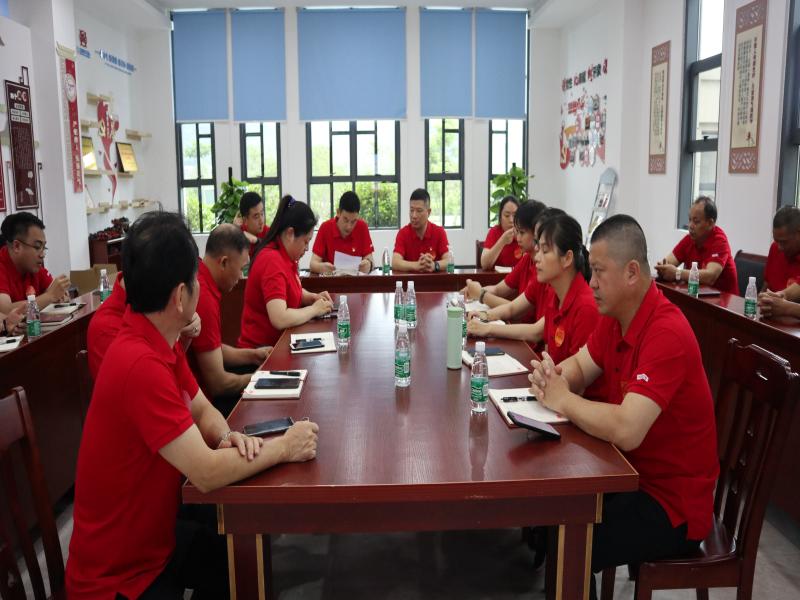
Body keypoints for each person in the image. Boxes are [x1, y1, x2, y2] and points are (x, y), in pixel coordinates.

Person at [67, 212, 319, 599]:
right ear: (180, 296)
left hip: (155, 540)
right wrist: (286, 446)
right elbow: (204, 472)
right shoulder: (138, 362)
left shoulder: (157, 338)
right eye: (195, 280)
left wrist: (227, 436)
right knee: (236, 566)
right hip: (120, 577)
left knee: (239, 563)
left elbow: (201, 408)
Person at [529, 215, 718, 599]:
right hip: (628, 473)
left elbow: (628, 430)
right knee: (554, 519)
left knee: (573, 541)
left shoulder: (666, 332)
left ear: (632, 272)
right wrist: (555, 376)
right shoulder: (616, 318)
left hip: (671, 503)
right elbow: (581, 365)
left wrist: (564, 399)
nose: (591, 282)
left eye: (599, 271)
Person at [468, 214, 604, 398]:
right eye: (538, 248)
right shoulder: (556, 297)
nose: (537, 257)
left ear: (567, 258)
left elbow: (578, 385)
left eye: (545, 251)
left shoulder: (586, 307)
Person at [191, 224, 272, 413]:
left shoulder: (203, 276)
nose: (241, 276)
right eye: (242, 269)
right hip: (206, 406)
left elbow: (212, 348)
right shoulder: (202, 296)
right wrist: (260, 379)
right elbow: (218, 384)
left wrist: (253, 355)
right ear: (224, 263)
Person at [238, 195, 333, 349]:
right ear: (290, 234)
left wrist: (311, 297)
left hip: (280, 345)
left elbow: (288, 290)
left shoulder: (285, 256)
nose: (307, 248)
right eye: (306, 241)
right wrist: (314, 310)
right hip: (261, 353)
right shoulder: (272, 260)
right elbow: (279, 318)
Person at [466, 206, 563, 326]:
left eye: (522, 232)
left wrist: (481, 294)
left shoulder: (545, 275)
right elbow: (502, 295)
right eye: (517, 232)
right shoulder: (528, 260)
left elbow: (523, 316)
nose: (517, 238)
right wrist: (475, 292)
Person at [655, 196, 738, 294]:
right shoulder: (690, 239)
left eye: (696, 221)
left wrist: (677, 273)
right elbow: (669, 261)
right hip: (697, 296)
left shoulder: (719, 241)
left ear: (710, 223)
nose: (690, 226)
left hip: (724, 300)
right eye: (689, 220)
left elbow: (710, 277)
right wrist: (663, 269)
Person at [0, 212, 71, 313]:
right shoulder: (2, 266)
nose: (42, 254)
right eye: (37, 247)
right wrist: (50, 296)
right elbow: (5, 310)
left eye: (44, 247)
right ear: (17, 246)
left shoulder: (34, 267)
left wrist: (61, 296)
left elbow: (55, 293)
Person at [310, 190, 375, 274]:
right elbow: (313, 264)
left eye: (353, 221)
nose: (349, 226)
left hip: (356, 281)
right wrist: (321, 267)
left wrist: (369, 264)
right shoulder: (325, 228)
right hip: (332, 281)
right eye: (345, 220)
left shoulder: (362, 227)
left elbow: (370, 260)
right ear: (338, 212)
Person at [392, 188, 451, 272]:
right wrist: (416, 265)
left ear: (428, 212)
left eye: (419, 211)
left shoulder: (439, 232)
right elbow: (395, 262)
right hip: (410, 280)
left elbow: (449, 261)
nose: (414, 216)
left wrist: (434, 265)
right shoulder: (403, 233)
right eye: (411, 210)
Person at [480, 195, 523, 270]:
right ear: (500, 217)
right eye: (507, 215)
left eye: (515, 215)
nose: (511, 220)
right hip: (497, 276)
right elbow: (484, 265)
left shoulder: (524, 233)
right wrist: (502, 241)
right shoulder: (494, 232)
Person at [764, 205, 800, 292]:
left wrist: (781, 296)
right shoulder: (774, 248)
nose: (779, 247)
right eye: (776, 241)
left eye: (784, 242)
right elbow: (766, 285)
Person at [237, 191, 269, 257]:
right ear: (245, 220)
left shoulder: (268, 232)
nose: (261, 221)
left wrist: (257, 241)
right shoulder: (238, 234)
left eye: (262, 214)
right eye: (256, 216)